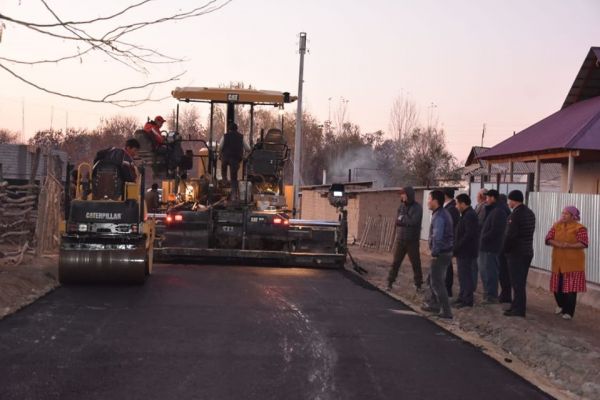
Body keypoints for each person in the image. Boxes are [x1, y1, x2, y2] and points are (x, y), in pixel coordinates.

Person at [545, 206, 588, 320]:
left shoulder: (580, 228)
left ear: (573, 216)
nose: (563, 215)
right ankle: (560, 305)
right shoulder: (556, 225)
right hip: (558, 261)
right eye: (562, 213)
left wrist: (569, 246)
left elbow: (584, 243)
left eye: (566, 214)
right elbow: (548, 238)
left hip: (573, 263)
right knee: (556, 287)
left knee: (570, 289)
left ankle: (568, 312)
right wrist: (556, 243)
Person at [502, 190, 536, 317]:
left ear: (514, 200)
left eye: (509, 200)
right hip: (527, 251)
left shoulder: (515, 215)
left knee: (517, 282)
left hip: (516, 252)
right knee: (520, 281)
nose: (508, 203)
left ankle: (519, 309)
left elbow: (510, 236)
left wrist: (505, 249)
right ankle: (516, 306)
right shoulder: (529, 213)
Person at [421, 190, 454, 319]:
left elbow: (438, 237)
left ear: (435, 201)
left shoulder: (439, 216)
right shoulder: (441, 213)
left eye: (429, 199)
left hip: (441, 253)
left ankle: (446, 311)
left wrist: (434, 252)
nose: (428, 202)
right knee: (433, 280)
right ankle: (434, 305)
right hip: (444, 252)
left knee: (437, 282)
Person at [387, 186, 423, 292]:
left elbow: (413, 222)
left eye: (403, 194)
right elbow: (397, 221)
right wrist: (404, 219)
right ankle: (390, 282)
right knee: (395, 262)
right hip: (401, 239)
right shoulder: (401, 207)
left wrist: (403, 218)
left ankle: (418, 285)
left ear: (409, 195)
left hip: (412, 240)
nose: (402, 196)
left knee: (416, 263)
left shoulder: (417, 208)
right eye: (401, 194)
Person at [478, 189, 508, 304]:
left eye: (488, 197)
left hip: (491, 247)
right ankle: (488, 294)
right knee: (485, 270)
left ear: (493, 198)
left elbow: (496, 230)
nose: (486, 200)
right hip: (487, 245)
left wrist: (483, 237)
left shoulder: (499, 211)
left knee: (490, 271)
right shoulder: (493, 209)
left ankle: (491, 295)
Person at [453, 193, 479, 308]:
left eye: (457, 204)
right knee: (462, 275)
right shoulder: (465, 214)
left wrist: (458, 246)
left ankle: (467, 300)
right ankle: (462, 296)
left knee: (466, 275)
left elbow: (468, 234)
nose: (456, 206)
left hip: (466, 251)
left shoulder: (470, 215)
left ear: (463, 204)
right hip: (462, 251)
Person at [219, 123, 251, 200]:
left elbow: (220, 146)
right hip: (236, 159)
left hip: (226, 157)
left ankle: (224, 180)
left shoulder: (225, 136)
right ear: (237, 129)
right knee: (234, 177)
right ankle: (233, 196)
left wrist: (221, 154)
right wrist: (244, 156)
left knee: (223, 167)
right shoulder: (241, 137)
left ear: (229, 129)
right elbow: (248, 148)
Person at [443, 188, 460, 297]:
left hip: (448, 241)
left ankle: (447, 289)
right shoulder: (448, 207)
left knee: (447, 266)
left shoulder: (451, 209)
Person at [497, 194, 512, 303]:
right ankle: (505, 294)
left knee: (503, 272)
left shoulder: (501, 211)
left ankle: (505, 295)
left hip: (503, 246)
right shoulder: (507, 210)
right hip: (505, 246)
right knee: (504, 272)